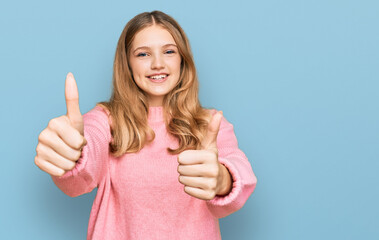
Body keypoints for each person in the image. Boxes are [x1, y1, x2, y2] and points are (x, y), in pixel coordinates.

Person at [34, 10, 257, 240]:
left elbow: (240, 170)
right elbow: (86, 154)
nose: (157, 64)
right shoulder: (106, 120)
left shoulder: (210, 124)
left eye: (169, 51)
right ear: (127, 64)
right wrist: (72, 153)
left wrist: (222, 179)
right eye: (143, 54)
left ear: (182, 59)